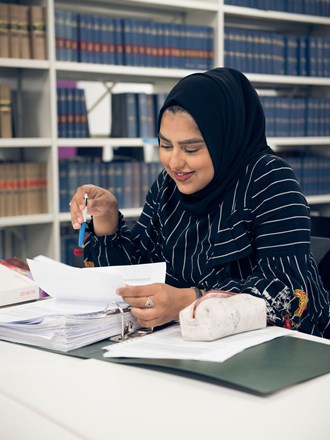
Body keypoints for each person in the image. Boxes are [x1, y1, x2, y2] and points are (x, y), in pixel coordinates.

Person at [70, 67, 330, 338]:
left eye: (191, 149)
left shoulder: (269, 180)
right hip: (191, 342)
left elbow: (288, 297)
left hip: (290, 347)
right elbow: (137, 273)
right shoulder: (167, 186)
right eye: (165, 145)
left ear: (224, 140)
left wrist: (189, 300)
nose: (175, 162)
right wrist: (107, 217)